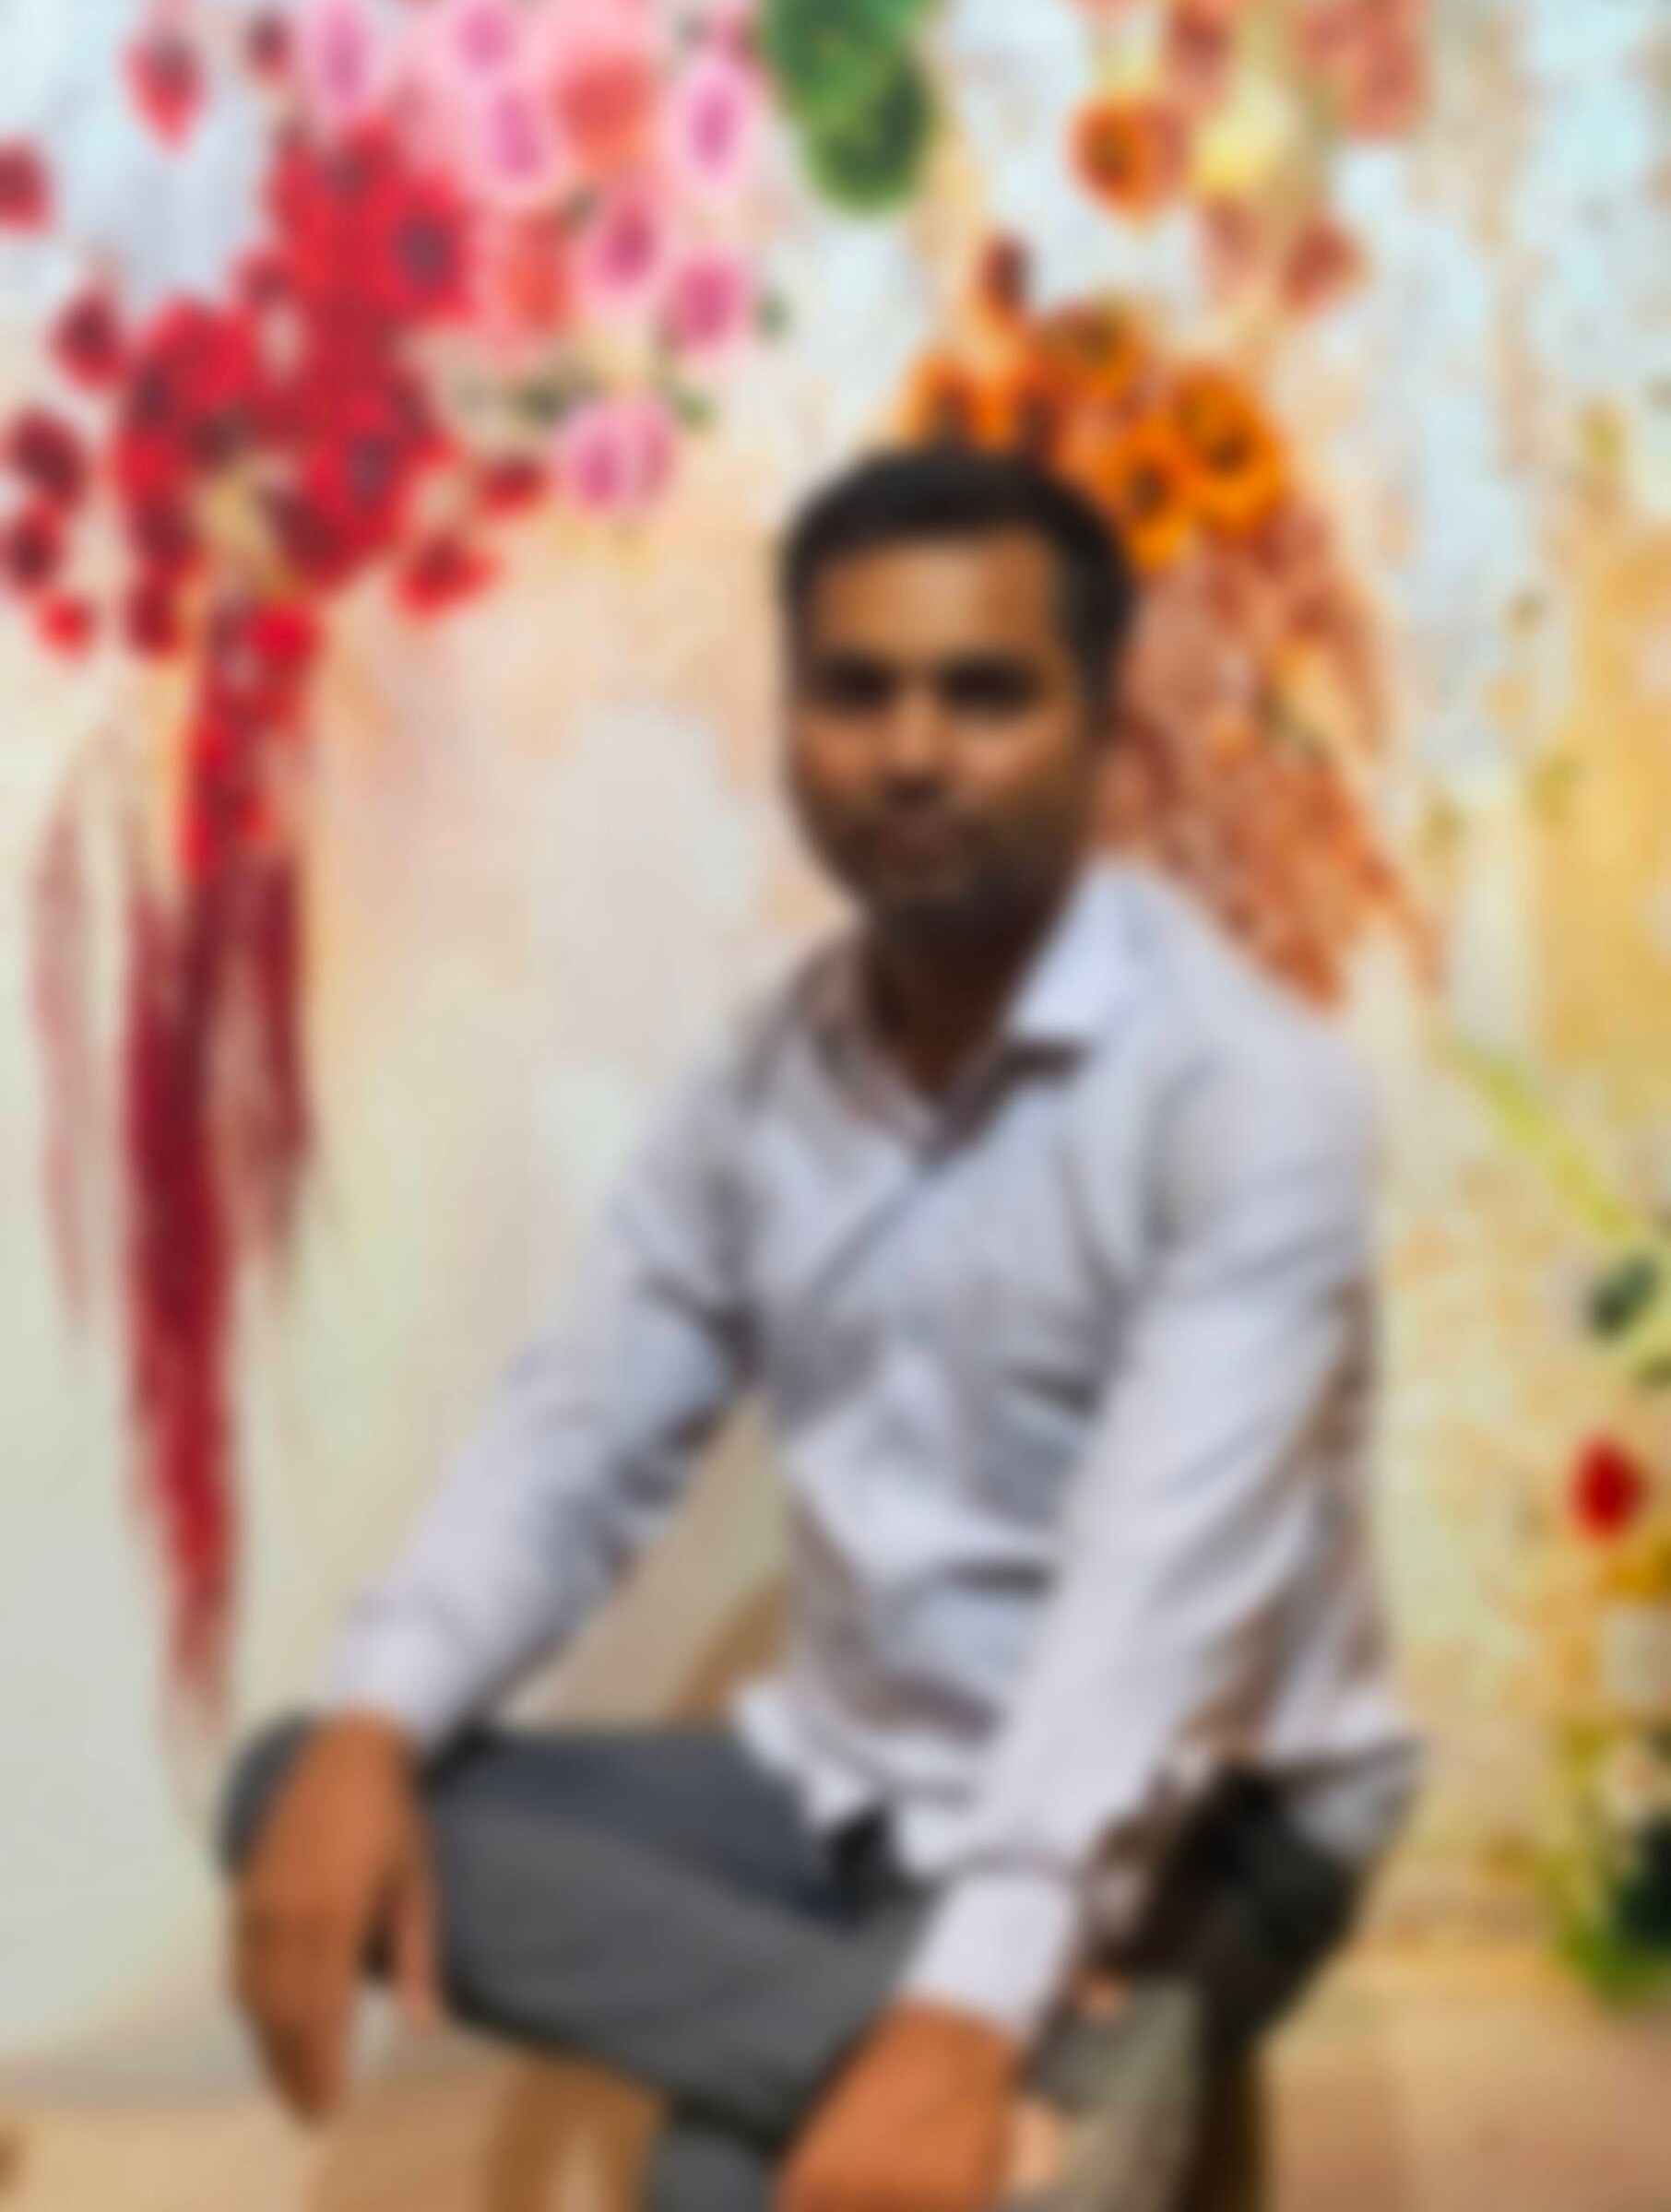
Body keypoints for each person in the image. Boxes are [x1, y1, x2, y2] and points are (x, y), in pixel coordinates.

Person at [219, 446, 1420, 2212]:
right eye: (856, 691)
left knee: (720, 2191)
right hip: (860, 1779)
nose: (911, 750)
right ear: (792, 726)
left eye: (986, 693)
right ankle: (1055, 2116)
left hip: (1198, 1814)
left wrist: (967, 2010)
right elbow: (574, 1445)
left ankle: (968, 2063)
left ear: (1108, 732)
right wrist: (374, 1724)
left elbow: (1147, 1615)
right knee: (297, 1781)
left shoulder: (1247, 1096)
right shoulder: (763, 1082)